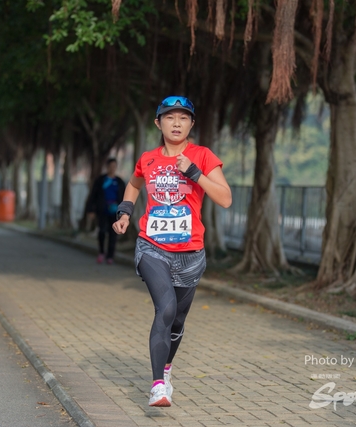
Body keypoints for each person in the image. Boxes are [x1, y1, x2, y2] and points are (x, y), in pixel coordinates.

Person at [112, 96, 232, 407]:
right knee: (165, 309)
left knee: (177, 320)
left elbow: (225, 198)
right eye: (169, 117)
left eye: (183, 118)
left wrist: (195, 173)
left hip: (190, 253)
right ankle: (157, 387)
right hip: (152, 247)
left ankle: (166, 370)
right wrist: (125, 213)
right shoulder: (148, 159)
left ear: (191, 124)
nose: (176, 123)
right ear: (158, 123)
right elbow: (134, 185)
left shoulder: (202, 156)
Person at [87, 158, 126, 264]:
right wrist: (91, 210)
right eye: (110, 166)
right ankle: (101, 252)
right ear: (107, 167)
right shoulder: (101, 180)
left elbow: (125, 197)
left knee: (113, 234)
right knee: (102, 231)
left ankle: (110, 256)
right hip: (102, 210)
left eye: (114, 166)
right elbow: (93, 195)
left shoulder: (119, 182)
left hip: (116, 212)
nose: (112, 168)